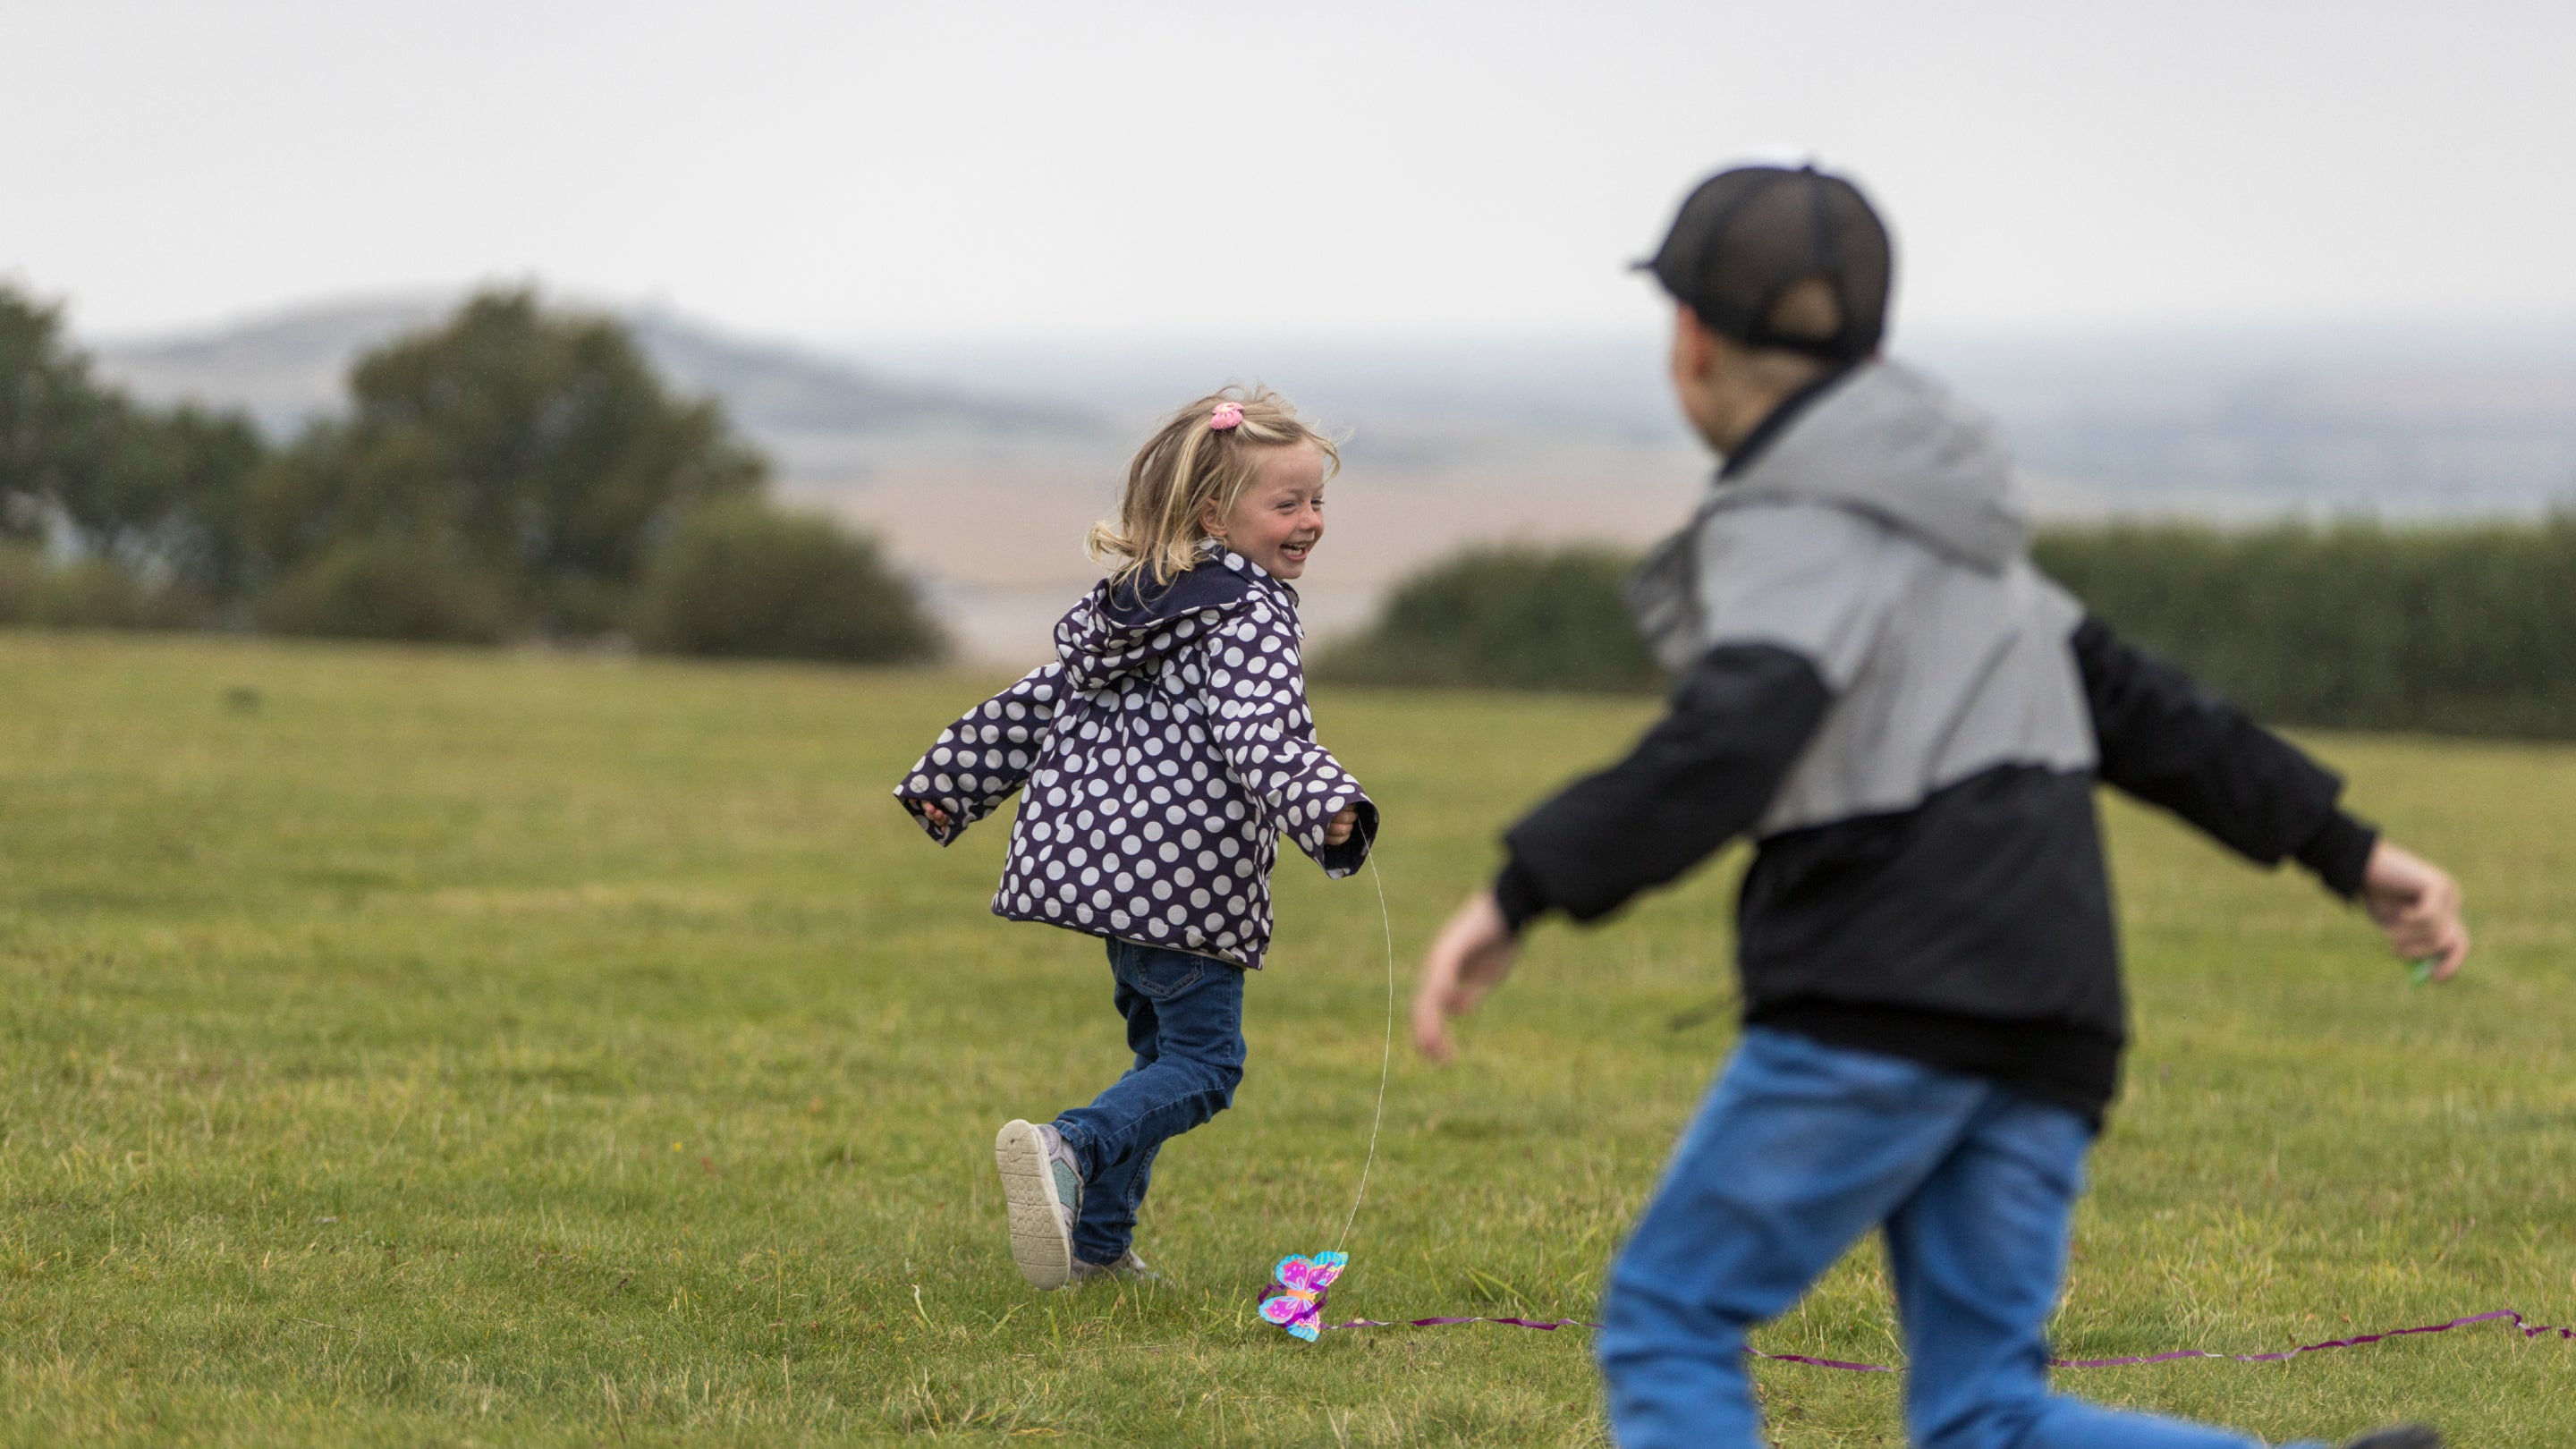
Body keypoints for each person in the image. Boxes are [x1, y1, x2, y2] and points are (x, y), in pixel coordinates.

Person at [1409, 165, 2468, 1449]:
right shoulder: (1960, 524)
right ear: (1869, 341)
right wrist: (2346, 848)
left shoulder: (1793, 511)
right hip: (2052, 1004)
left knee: (1669, 1317)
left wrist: (1525, 887)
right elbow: (2140, 707)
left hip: (1888, 986)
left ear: (1689, 338)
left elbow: (1738, 728)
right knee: (1985, 1416)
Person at [897, 387, 1377, 1292]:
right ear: (1213, 515)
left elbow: (1037, 701)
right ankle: (1067, 1149)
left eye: (1318, 501)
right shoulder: (1250, 610)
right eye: (1288, 504)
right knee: (1206, 1066)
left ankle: (1099, 1246)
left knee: (1161, 1061)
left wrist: (948, 784)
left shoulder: (1137, 606)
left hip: (1108, 881)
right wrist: (1328, 807)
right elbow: (1258, 728)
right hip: (1187, 884)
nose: (1311, 521)